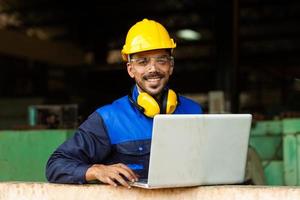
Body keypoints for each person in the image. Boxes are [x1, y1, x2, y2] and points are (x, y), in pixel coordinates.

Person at [46, 18, 203, 188]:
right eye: (143, 61)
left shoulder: (193, 111)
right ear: (130, 69)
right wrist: (96, 170)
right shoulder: (108, 119)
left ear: (171, 66)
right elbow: (56, 165)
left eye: (161, 60)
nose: (153, 69)